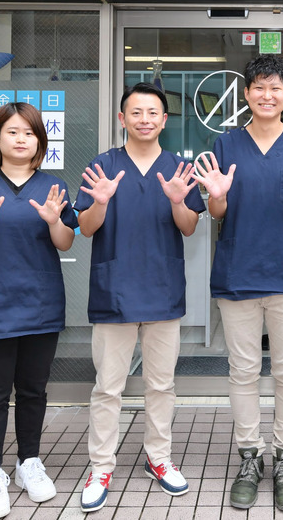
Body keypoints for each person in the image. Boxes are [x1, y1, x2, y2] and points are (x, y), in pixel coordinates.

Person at [192, 56, 283, 512]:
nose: (267, 95)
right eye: (258, 87)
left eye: (275, 88)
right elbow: (216, 214)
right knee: (243, 371)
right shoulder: (225, 144)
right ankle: (250, 457)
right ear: (246, 94)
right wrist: (217, 196)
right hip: (237, 273)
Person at [74, 82, 206, 513]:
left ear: (165, 120)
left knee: (161, 385)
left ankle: (159, 458)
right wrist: (100, 203)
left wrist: (177, 202)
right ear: (122, 118)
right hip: (114, 291)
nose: (145, 119)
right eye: (136, 112)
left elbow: (189, 227)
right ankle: (100, 467)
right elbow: (87, 228)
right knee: (107, 387)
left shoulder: (178, 168)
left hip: (163, 290)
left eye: (153, 112)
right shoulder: (103, 165)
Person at [0, 102, 78, 520]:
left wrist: (55, 220)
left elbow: (66, 242)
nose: (22, 139)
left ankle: (29, 463)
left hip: (41, 304)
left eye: (30, 133)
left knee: (34, 391)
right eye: (13, 132)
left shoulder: (52, 186)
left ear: (40, 140)